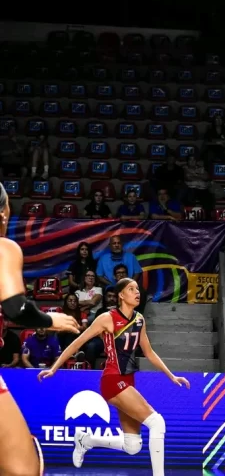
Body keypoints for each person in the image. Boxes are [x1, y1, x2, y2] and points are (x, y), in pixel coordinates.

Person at [38, 277, 190, 475]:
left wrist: (172, 376)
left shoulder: (139, 319)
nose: (137, 292)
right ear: (121, 295)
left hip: (128, 380)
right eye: (131, 289)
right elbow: (78, 343)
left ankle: (86, 440)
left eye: (137, 289)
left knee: (133, 446)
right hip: (112, 380)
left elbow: (149, 352)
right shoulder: (107, 318)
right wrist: (54, 368)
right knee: (157, 422)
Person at [0, 182, 80, 476]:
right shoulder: (3, 247)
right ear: (4, 213)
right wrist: (51, 320)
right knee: (22, 470)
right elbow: (16, 308)